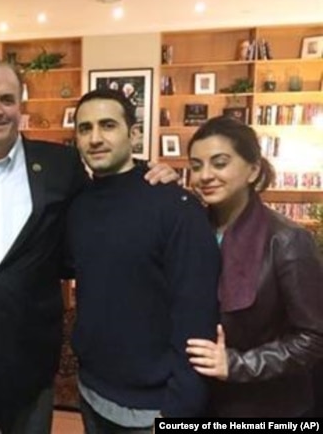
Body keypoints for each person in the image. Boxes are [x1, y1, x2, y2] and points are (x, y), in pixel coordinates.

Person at [0, 59, 178, 434]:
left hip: (33, 360)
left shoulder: (61, 164)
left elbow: (106, 194)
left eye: (6, 99)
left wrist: (150, 172)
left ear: (21, 105)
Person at [66, 89, 221, 433]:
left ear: (133, 134)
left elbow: (196, 315)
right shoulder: (78, 206)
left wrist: (180, 409)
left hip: (156, 407)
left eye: (108, 125)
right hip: (92, 391)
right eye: (84, 128)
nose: (95, 138)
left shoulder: (176, 207)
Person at [185, 115, 323, 417]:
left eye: (219, 163)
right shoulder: (192, 228)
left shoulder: (287, 240)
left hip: (268, 406)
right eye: (196, 166)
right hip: (202, 398)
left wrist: (237, 364)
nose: (204, 175)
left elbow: (313, 338)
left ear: (253, 169)